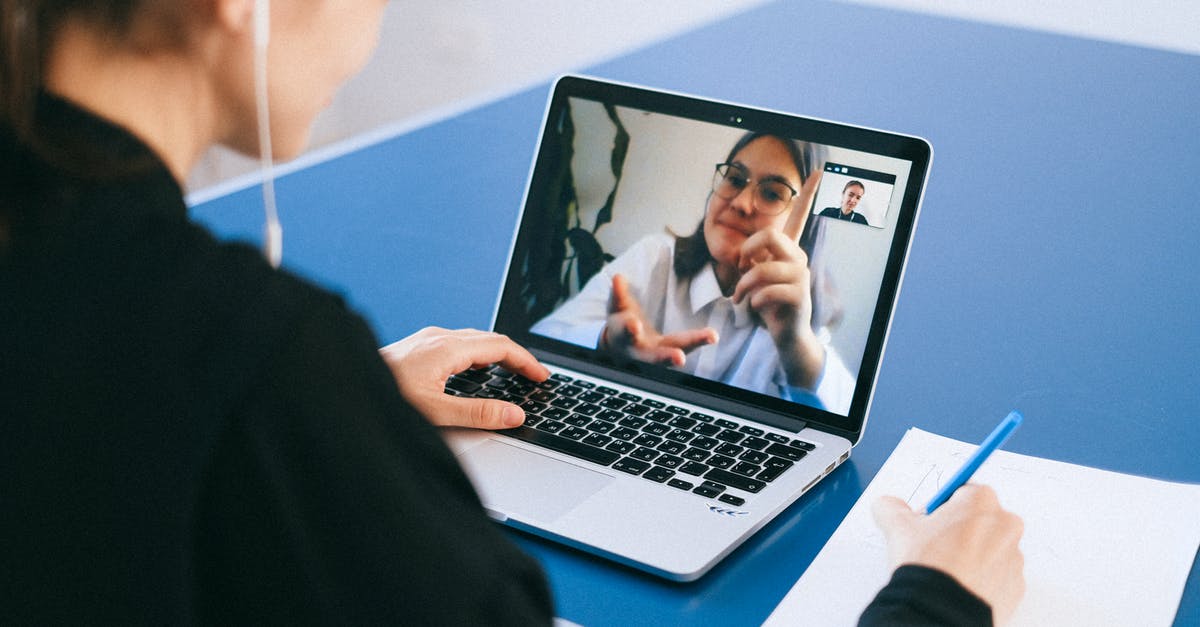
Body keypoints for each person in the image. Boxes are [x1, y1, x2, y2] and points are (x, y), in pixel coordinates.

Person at [0, 1, 1023, 624]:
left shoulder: (811, 307)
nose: (375, 21)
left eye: (771, 192)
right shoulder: (262, 361)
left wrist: (346, 404)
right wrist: (936, 599)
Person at [533, 132, 855, 413]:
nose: (742, 203)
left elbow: (844, 422)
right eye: (734, 178)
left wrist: (796, 342)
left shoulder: (797, 317)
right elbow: (543, 338)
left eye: (772, 193)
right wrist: (606, 341)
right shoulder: (655, 257)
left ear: (806, 224)